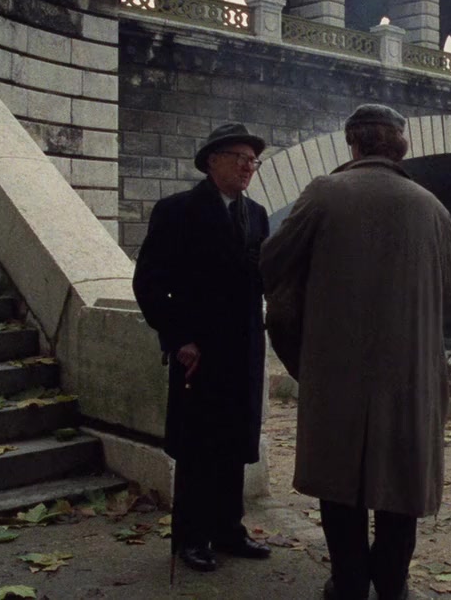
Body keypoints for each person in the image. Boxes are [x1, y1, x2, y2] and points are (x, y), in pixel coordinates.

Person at [261, 105, 451, 600]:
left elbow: (272, 264)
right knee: (402, 480)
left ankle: (349, 582)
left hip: (337, 369)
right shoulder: (434, 208)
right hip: (411, 374)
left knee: (340, 479)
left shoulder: (325, 193)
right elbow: (448, 284)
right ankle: (392, 582)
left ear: (353, 143)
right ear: (400, 147)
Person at [132, 123, 273, 573]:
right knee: (198, 446)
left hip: (244, 349)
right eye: (240, 158)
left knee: (234, 442)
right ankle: (191, 538)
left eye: (253, 161)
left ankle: (229, 529)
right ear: (212, 160)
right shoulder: (176, 211)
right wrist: (179, 338)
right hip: (199, 351)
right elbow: (150, 283)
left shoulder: (258, 215)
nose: (248, 167)